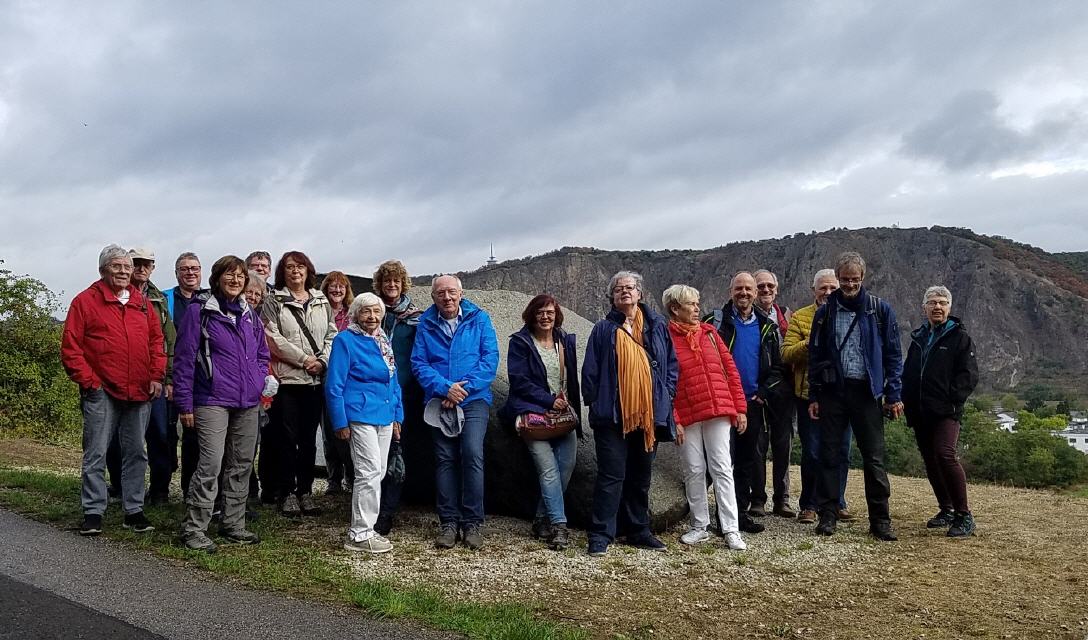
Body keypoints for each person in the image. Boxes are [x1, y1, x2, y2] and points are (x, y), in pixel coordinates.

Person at [61, 244, 165, 536]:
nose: (123, 271)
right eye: (116, 266)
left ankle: (134, 511)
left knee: (136, 452)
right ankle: (93, 511)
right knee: (96, 452)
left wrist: (156, 376)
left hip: (140, 389)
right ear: (102, 270)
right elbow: (71, 347)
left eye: (126, 267)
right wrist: (90, 382)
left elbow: (156, 342)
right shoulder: (85, 301)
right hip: (102, 390)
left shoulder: (142, 302)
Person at [174, 256, 270, 553]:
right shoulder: (200, 311)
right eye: (229, 275)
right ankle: (194, 529)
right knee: (211, 464)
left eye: (240, 276)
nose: (235, 280)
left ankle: (233, 524)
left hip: (247, 401)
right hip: (211, 400)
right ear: (217, 278)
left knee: (241, 464)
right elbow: (184, 359)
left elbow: (262, 354)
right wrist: (184, 404)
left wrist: (258, 380)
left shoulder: (249, 314)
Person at [808, 251, 903, 541]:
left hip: (867, 393)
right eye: (845, 279)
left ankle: (880, 521)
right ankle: (827, 515)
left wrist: (893, 394)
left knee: (874, 459)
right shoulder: (825, 313)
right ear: (838, 278)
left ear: (863, 277)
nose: (850, 285)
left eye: (855, 279)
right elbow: (815, 356)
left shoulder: (879, 310)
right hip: (833, 392)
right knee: (829, 455)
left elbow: (893, 355)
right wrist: (814, 396)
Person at [582, 271, 677, 557]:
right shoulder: (603, 329)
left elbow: (671, 364)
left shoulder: (657, 326)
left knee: (640, 475)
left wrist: (667, 394)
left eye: (630, 287)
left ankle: (638, 530)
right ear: (612, 297)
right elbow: (590, 370)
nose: (624, 291)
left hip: (649, 414)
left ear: (640, 294)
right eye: (618, 289)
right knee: (611, 476)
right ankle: (601, 534)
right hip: (612, 415)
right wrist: (596, 402)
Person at [411, 275, 499, 550]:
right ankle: (448, 522)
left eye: (451, 292)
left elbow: (489, 359)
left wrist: (462, 390)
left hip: (474, 400)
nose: (447, 298)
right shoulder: (425, 323)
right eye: (441, 293)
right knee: (445, 459)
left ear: (461, 294)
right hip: (439, 400)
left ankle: (472, 523)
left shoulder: (479, 319)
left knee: (472, 454)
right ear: (433, 297)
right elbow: (419, 363)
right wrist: (444, 388)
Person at [663, 285, 748, 551]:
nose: (697, 308)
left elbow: (730, 370)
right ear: (675, 308)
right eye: (691, 304)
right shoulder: (665, 339)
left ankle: (731, 528)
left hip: (717, 408)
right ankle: (699, 526)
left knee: (722, 467)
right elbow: (663, 382)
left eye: (697, 303)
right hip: (687, 413)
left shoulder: (710, 333)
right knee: (694, 469)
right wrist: (674, 418)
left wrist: (740, 408)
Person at [501, 294, 582, 551]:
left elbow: (571, 380)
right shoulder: (520, 342)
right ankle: (559, 526)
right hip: (534, 416)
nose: (545, 317)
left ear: (556, 315)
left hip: (563, 416)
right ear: (532, 315)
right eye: (540, 312)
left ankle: (540, 519)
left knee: (565, 469)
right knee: (548, 470)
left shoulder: (564, 341)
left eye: (550, 312)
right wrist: (549, 400)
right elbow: (519, 380)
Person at [708, 272, 786, 536]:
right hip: (721, 403)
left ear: (755, 293)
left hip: (752, 404)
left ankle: (738, 515)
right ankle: (720, 516)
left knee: (745, 462)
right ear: (730, 291)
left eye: (748, 289)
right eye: (738, 288)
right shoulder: (715, 323)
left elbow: (777, 368)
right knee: (721, 462)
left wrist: (763, 394)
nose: (743, 293)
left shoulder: (767, 328)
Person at [325, 293, 404, 554]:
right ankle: (360, 533)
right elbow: (334, 385)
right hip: (359, 414)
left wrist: (398, 416)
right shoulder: (345, 340)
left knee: (378, 471)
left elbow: (394, 380)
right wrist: (339, 421)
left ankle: (366, 527)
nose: (372, 317)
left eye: (376, 311)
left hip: (384, 414)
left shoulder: (383, 340)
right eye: (366, 311)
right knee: (368, 472)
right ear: (355, 314)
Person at [261, 251, 336, 517]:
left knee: (308, 440)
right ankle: (287, 492)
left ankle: (305, 491)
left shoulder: (321, 300)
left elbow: (331, 335)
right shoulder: (273, 301)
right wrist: (304, 360)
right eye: (290, 267)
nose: (295, 271)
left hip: (314, 382)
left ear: (308, 270)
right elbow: (272, 338)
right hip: (287, 381)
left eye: (300, 266)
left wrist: (323, 361)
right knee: (286, 439)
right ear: (283, 272)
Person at [902, 286, 979, 538]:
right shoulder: (919, 338)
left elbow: (968, 375)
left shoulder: (960, 338)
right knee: (931, 460)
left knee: (945, 454)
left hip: (946, 411)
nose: (937, 307)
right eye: (933, 302)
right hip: (920, 411)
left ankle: (964, 516)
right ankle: (946, 509)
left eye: (943, 303)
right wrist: (903, 400)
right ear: (924, 307)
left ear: (949, 307)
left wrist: (951, 400)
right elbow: (909, 373)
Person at [782, 269, 854, 524]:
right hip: (808, 395)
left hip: (843, 396)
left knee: (842, 451)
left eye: (833, 288)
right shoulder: (800, 317)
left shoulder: (849, 315)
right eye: (823, 288)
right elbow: (786, 353)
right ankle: (809, 504)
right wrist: (812, 340)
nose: (828, 292)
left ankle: (837, 502)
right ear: (813, 290)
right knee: (813, 452)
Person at [105, 248, 176, 504]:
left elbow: (168, 341)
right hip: (117, 380)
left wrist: (168, 378)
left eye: (147, 264)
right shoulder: (111, 294)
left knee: (159, 434)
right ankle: (120, 486)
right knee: (116, 438)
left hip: (153, 379)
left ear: (153, 268)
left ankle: (159, 490)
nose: (142, 268)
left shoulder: (158, 299)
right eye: (137, 263)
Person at [372, 260, 424, 536]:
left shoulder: (416, 319)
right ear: (379, 285)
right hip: (376, 395)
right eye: (386, 281)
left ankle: (389, 509)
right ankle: (377, 507)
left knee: (399, 451)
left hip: (407, 394)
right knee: (379, 453)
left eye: (396, 281)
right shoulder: (372, 314)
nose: (391, 285)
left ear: (403, 284)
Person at [163, 252, 208, 502]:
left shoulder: (210, 299)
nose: (190, 273)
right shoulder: (166, 299)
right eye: (185, 269)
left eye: (195, 268)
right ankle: (178, 487)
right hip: (176, 376)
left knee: (198, 436)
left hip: (203, 379)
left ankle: (199, 490)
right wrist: (168, 378)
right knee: (171, 434)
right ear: (176, 273)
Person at [751, 269, 795, 518]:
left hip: (784, 390)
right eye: (760, 286)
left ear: (776, 289)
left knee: (783, 445)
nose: (765, 290)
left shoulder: (786, 316)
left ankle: (782, 499)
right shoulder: (749, 318)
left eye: (770, 286)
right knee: (757, 445)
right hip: (759, 389)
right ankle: (757, 498)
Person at [318, 271, 356, 496]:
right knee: (328, 430)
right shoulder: (318, 312)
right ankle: (333, 478)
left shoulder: (352, 314)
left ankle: (351, 476)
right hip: (324, 374)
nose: (337, 290)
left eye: (342, 286)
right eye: (333, 285)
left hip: (348, 378)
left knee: (347, 428)